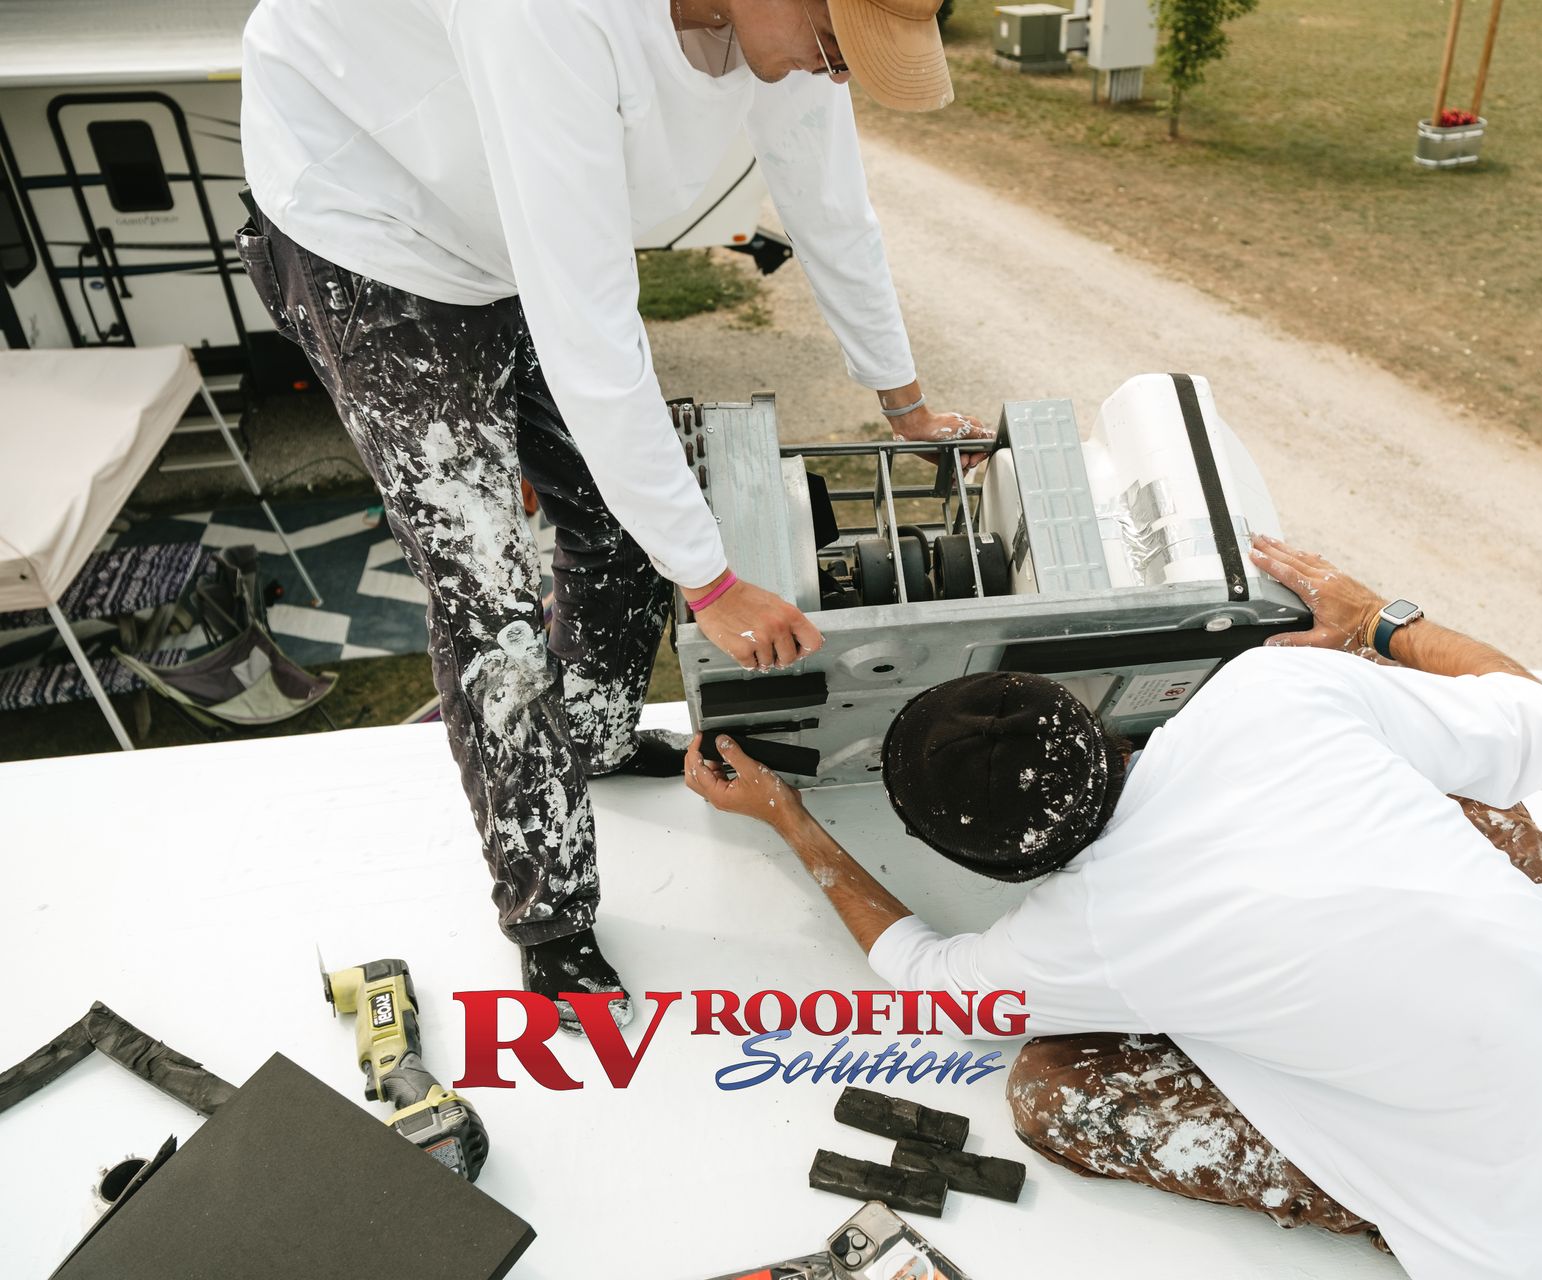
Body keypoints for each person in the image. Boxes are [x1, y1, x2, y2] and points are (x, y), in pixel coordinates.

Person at [236, 0, 983, 1027]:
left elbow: (829, 203)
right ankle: (548, 914)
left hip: (507, 220)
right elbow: (588, 318)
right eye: (840, 42)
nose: (846, 73)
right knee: (489, 595)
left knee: (632, 519)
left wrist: (901, 400)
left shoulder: (792, 35)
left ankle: (585, 739)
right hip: (372, 223)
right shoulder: (546, 14)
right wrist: (710, 582)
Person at [686, 535, 1542, 1280]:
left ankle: (1385, 1200)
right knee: (1442, 754)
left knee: (1049, 1090)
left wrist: (789, 817)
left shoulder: (1084, 937)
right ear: (1091, 720)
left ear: (971, 858)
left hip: (1507, 1217)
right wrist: (1382, 621)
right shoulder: (1277, 689)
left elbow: (925, 976)